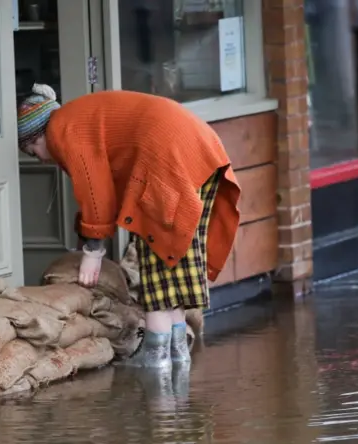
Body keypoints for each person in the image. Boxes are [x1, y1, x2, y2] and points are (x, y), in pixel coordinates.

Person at [17, 83, 241, 369]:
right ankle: (177, 360)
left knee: (157, 278)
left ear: (37, 136)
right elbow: (106, 191)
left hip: (167, 162)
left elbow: (95, 192)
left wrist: (92, 252)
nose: (41, 159)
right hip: (198, 151)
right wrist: (85, 235)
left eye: (34, 151)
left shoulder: (63, 131)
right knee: (173, 276)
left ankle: (156, 365)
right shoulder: (76, 117)